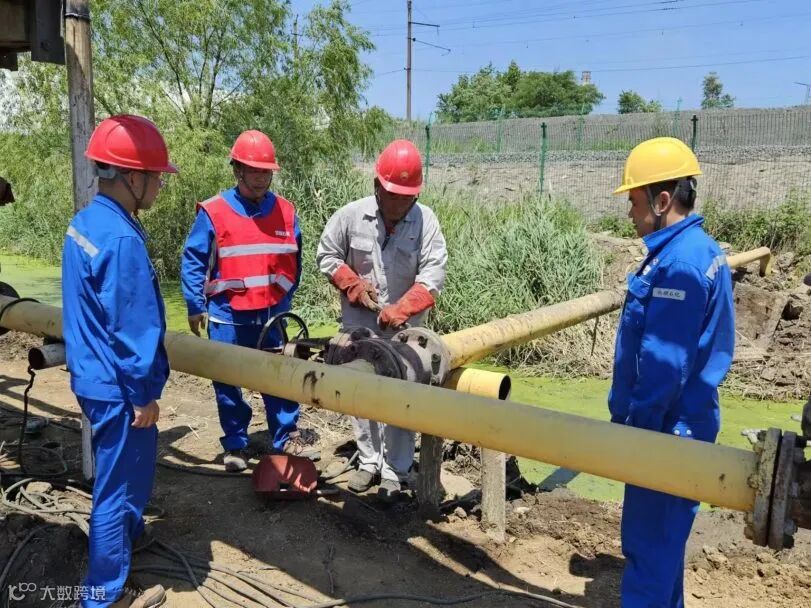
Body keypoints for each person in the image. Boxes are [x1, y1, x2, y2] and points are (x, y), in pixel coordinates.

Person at [609, 137, 735, 607]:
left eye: (634, 201)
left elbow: (665, 364)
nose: (629, 213)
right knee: (663, 552)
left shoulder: (680, 264)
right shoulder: (693, 250)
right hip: (683, 424)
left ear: (662, 201)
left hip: (665, 431)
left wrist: (636, 432)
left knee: (648, 552)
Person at [62, 114, 176, 608]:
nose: (159, 186)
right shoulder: (123, 240)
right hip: (118, 387)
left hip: (92, 374)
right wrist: (143, 395)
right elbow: (133, 328)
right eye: (156, 177)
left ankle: (126, 540)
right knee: (116, 486)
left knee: (130, 472)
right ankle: (104, 596)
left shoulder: (87, 222)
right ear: (133, 177)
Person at [316, 139, 448, 501]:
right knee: (361, 394)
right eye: (394, 196)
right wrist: (352, 284)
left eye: (408, 198)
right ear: (377, 186)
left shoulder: (426, 221)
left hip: (404, 336)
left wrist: (401, 309)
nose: (401, 205)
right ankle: (368, 462)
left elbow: (433, 276)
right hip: (360, 327)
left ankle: (396, 471)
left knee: (402, 399)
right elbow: (327, 254)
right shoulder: (351, 216)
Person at [181, 130, 316, 472]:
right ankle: (236, 444)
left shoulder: (286, 211)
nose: (260, 178)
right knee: (227, 382)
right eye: (253, 171)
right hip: (228, 315)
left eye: (265, 172)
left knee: (280, 376)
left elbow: (295, 262)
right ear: (237, 170)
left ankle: (286, 437)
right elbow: (194, 260)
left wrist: (284, 300)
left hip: (272, 315)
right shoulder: (214, 211)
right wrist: (195, 304)